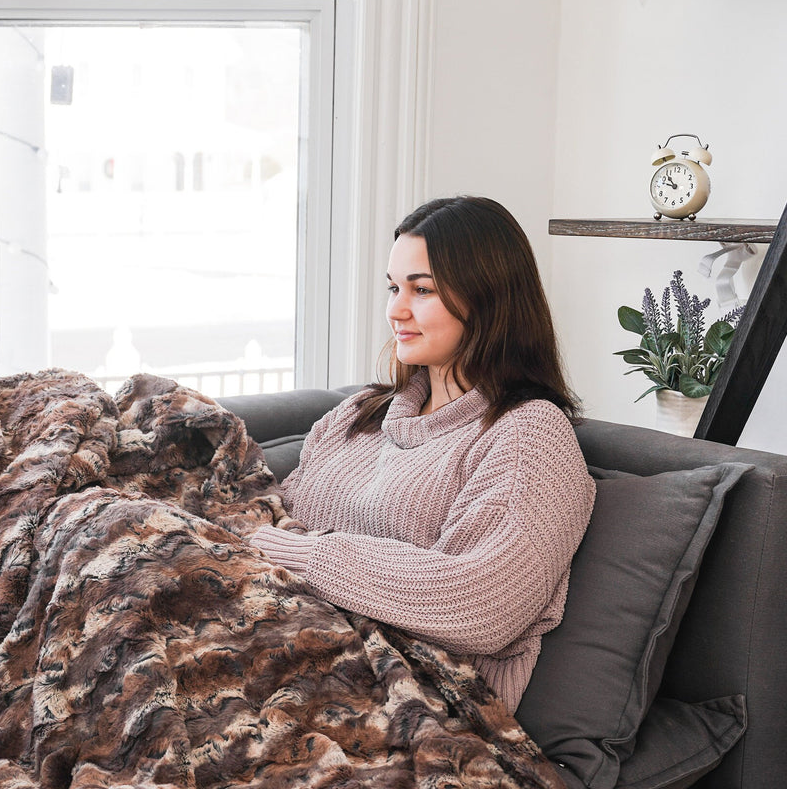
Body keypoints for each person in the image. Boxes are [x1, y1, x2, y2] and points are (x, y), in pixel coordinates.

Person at [246, 196, 595, 712]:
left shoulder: (528, 436)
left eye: (422, 289)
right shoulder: (358, 414)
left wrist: (300, 554)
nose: (395, 309)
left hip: (413, 701)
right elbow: (271, 517)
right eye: (393, 287)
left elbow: (482, 605)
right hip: (280, 646)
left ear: (489, 298)